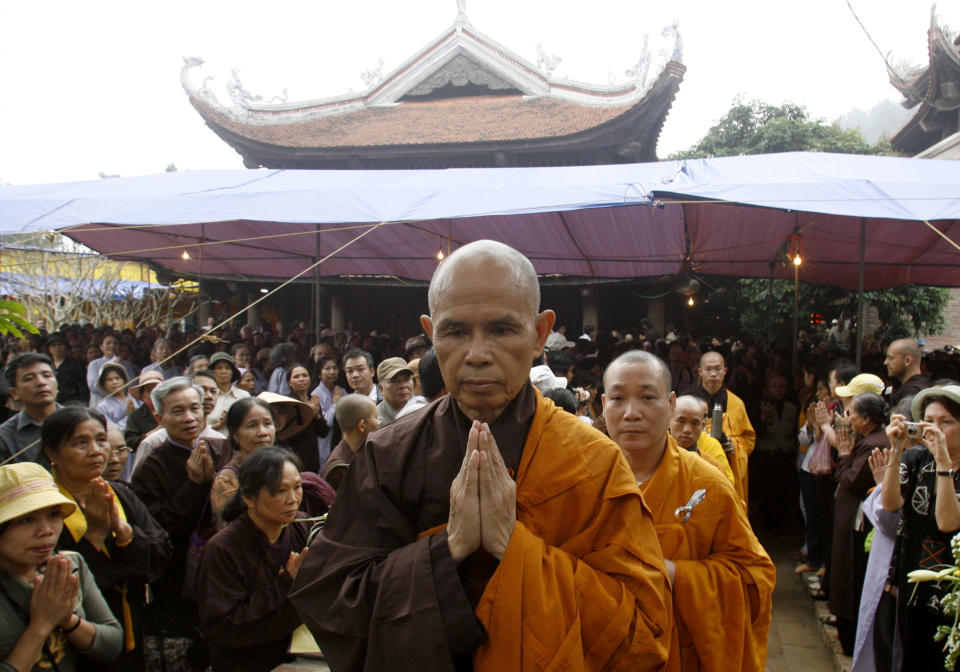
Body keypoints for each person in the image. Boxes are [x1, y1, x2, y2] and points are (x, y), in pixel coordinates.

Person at [290, 240, 672, 671]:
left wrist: (515, 547)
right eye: (455, 332)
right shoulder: (388, 454)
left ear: (539, 334)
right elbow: (332, 601)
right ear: (431, 335)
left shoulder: (593, 462)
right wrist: (448, 550)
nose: (476, 355)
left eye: (502, 329)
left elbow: (643, 634)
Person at [602, 350, 775, 671]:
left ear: (669, 404)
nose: (631, 412)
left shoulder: (708, 482)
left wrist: (677, 575)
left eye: (647, 398)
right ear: (603, 405)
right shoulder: (585, 479)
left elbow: (756, 580)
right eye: (617, 398)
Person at [41, 407, 172, 671]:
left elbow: (162, 553)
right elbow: (48, 580)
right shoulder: (44, 508)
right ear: (52, 453)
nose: (96, 450)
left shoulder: (120, 494)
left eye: (101, 440)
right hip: (73, 636)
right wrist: (94, 536)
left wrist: (125, 533)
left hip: (130, 622)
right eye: (81, 443)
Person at [129, 377, 230, 657]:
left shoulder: (221, 449)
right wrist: (194, 485)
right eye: (178, 411)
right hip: (178, 577)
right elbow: (157, 526)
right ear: (159, 417)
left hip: (221, 567)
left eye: (195, 409)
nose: (190, 418)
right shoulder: (153, 466)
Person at [0, 462, 123, 671]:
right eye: (27, 520)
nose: (46, 530)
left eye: (54, 515)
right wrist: (41, 626)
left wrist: (68, 620)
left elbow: (112, 644)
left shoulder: (69, 565)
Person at [197, 448, 310, 672]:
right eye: (280, 491)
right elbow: (225, 627)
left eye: (297, 488)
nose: (293, 500)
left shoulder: (301, 526)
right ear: (249, 497)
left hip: (298, 657)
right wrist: (287, 583)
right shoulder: (222, 549)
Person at [880, 385, 960, 671]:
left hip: (951, 586)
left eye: (947, 422)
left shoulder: (940, 463)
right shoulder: (915, 460)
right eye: (929, 421)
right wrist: (896, 451)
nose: (935, 429)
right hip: (914, 576)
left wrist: (943, 463)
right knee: (909, 655)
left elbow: (948, 522)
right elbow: (890, 503)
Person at [829, 392, 889, 656]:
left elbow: (852, 482)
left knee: (851, 576)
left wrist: (844, 456)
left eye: (852, 412)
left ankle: (852, 640)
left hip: (859, 524)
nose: (848, 417)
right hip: (853, 520)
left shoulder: (874, 444)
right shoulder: (869, 439)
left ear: (866, 418)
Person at [696, 350, 756, 502]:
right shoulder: (687, 400)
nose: (713, 374)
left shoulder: (736, 403)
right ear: (700, 372)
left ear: (725, 371)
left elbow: (748, 440)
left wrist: (733, 446)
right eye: (708, 369)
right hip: (693, 468)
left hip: (726, 468)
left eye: (718, 369)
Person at [210, 398, 277, 527]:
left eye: (267, 423)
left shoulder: (282, 467)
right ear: (235, 434)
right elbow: (226, 529)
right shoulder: (227, 479)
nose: (263, 432)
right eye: (252, 425)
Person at [0, 353, 61, 465]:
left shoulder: (84, 421)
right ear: (14, 393)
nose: (41, 382)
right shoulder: (5, 436)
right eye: (29, 378)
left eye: (47, 376)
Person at [669, 395, 735, 487]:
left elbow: (726, 490)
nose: (687, 429)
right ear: (668, 420)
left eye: (695, 424)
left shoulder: (713, 464)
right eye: (681, 421)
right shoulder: (652, 455)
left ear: (703, 425)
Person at [319, 394, 379, 491]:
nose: (379, 423)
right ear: (361, 426)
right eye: (376, 418)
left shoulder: (360, 451)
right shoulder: (340, 470)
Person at [310, 355, 345, 468]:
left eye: (335, 368)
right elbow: (326, 423)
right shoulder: (315, 394)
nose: (332, 371)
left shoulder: (341, 390)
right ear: (320, 373)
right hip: (325, 442)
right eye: (327, 368)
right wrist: (335, 404)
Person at [86, 334, 138, 405]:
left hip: (121, 405)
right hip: (100, 404)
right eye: (108, 343)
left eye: (115, 343)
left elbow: (133, 384)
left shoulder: (126, 364)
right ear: (101, 347)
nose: (112, 345)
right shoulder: (94, 364)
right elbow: (93, 385)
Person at [123, 370, 162, 457]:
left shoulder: (172, 410)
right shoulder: (135, 416)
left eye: (157, 389)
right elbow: (130, 443)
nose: (153, 393)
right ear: (142, 394)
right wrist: (151, 434)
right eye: (149, 390)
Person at [207, 353, 250, 432]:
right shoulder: (206, 396)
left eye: (227, 368)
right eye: (219, 368)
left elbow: (249, 422)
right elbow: (200, 428)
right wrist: (219, 424)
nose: (223, 371)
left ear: (232, 372)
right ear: (212, 372)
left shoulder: (243, 396)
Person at [43, 332, 88, 405]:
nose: (57, 348)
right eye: (54, 345)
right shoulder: (45, 365)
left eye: (60, 345)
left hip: (71, 402)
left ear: (66, 346)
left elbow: (82, 385)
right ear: (49, 348)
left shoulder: (75, 364)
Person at [884, 338, 930, 406]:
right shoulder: (924, 383)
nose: (885, 362)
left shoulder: (912, 392)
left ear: (907, 361)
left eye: (891, 358)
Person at [94, 363, 135, 432]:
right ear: (103, 384)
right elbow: (111, 430)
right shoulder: (102, 407)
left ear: (124, 380)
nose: (114, 382)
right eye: (109, 380)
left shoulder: (135, 397)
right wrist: (129, 416)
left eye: (117, 378)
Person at [375, 357, 415, 426]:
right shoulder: (373, 419)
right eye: (395, 381)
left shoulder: (423, 407)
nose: (403, 386)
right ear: (381, 388)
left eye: (407, 379)